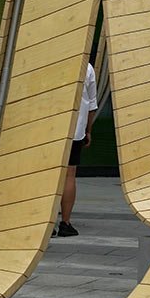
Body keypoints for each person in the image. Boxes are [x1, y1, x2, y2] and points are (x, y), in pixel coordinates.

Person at [56, 59, 98, 237]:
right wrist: (88, 131)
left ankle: (46, 225)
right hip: (76, 130)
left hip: (50, 130)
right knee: (69, 175)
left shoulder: (52, 63)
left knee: (49, 177)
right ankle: (65, 223)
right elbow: (91, 105)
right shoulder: (87, 68)